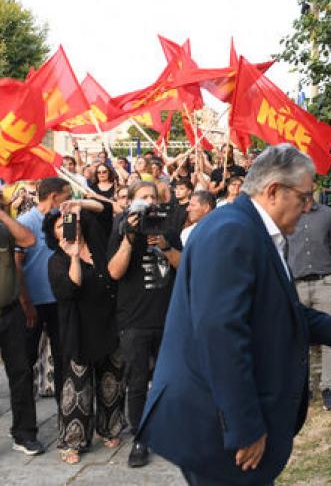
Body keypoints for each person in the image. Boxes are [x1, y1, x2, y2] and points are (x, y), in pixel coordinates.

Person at [137, 144, 331, 485]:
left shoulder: (254, 230)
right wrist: (244, 427)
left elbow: (285, 313)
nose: (308, 207)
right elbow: (221, 335)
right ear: (273, 191)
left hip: (223, 422)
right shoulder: (231, 231)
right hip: (216, 428)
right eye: (304, 197)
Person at [43, 199, 125, 464]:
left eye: (70, 221)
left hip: (108, 323)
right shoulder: (56, 261)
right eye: (59, 226)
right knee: (77, 389)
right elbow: (71, 288)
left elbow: (107, 209)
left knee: (111, 383)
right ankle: (73, 441)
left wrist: (78, 203)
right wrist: (74, 256)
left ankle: (109, 428)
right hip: (78, 329)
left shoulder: (98, 244)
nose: (68, 227)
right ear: (53, 235)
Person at [107, 181, 182, 468]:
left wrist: (164, 246)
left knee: (168, 379)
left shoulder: (169, 229)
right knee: (137, 381)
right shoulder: (120, 229)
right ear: (131, 202)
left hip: (167, 317)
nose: (150, 201)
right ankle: (140, 437)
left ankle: (168, 430)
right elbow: (114, 272)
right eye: (143, 197)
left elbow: (184, 265)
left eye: (153, 196)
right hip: (134, 320)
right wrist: (128, 239)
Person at [286, 195, 331, 411]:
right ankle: (305, 386)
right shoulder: (288, 213)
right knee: (300, 338)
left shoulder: (328, 214)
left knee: (329, 336)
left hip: (325, 282)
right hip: (297, 285)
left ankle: (327, 387)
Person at [16, 177, 73, 408]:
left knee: (63, 356)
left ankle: (65, 411)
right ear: (54, 196)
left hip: (60, 299)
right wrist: (25, 301)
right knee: (26, 358)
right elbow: (17, 265)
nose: (70, 200)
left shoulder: (65, 219)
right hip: (33, 303)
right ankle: (25, 414)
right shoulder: (25, 222)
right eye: (67, 196)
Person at [0, 193, 44, 456]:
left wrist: (2, 214)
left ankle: (24, 434)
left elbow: (28, 240)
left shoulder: (5, 229)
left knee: (21, 372)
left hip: (10, 312)